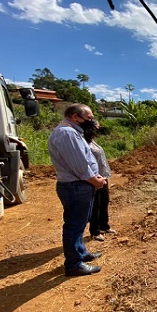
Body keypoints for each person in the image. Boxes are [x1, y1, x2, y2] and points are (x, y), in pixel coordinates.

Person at [48, 104, 107, 277]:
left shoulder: (73, 132)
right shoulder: (68, 133)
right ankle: (73, 264)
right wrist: (95, 180)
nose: (92, 121)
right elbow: (80, 165)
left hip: (78, 185)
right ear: (75, 117)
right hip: (76, 186)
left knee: (80, 223)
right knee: (74, 225)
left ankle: (80, 253)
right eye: (89, 118)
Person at [83, 122, 116, 241]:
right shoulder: (83, 143)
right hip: (94, 179)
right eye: (95, 129)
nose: (97, 131)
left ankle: (104, 226)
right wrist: (93, 178)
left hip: (103, 177)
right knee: (96, 205)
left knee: (104, 202)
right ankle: (95, 231)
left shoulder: (92, 142)